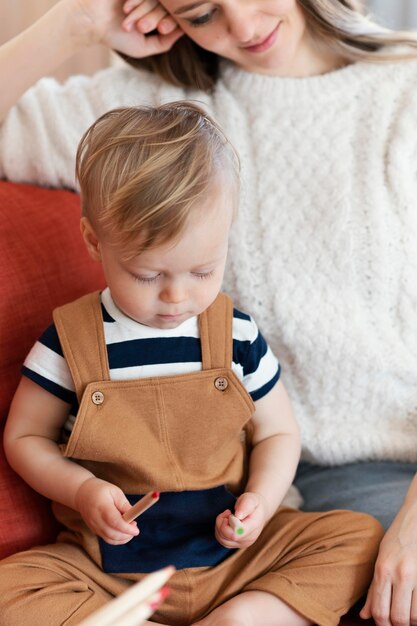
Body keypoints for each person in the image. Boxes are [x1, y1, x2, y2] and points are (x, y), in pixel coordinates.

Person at [1, 1, 417, 624]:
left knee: (355, 547)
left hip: (386, 476)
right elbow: (29, 437)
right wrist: (75, 24)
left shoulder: (404, 91)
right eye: (201, 13)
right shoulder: (141, 130)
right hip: (252, 498)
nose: (245, 29)